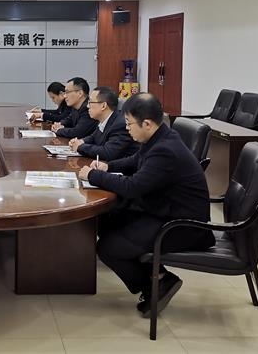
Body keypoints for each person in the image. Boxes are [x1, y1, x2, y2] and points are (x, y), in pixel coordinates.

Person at [78, 93, 215, 317]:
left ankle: (157, 284)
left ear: (147, 124)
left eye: (129, 124)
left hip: (183, 226)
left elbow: (133, 187)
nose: (127, 129)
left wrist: (94, 176)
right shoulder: (161, 137)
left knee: (109, 247)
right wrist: (107, 167)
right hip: (165, 210)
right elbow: (135, 161)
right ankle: (158, 276)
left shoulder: (165, 150)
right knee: (108, 219)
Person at [68, 86, 138, 161]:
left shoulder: (120, 124)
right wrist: (81, 141)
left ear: (103, 106)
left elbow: (108, 152)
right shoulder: (105, 119)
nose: (87, 106)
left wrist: (80, 147)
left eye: (90, 102)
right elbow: (93, 137)